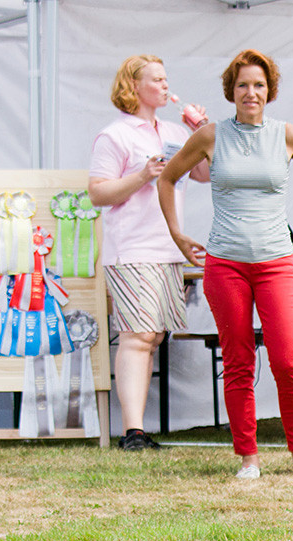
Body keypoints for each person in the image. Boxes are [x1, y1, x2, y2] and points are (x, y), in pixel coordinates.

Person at [158, 49, 293, 480]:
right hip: (226, 263)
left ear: (269, 90)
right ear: (231, 90)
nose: (250, 93)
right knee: (238, 359)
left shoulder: (287, 136)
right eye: (243, 85)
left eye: (258, 85)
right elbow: (167, 178)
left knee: (287, 359)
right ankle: (248, 458)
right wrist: (177, 233)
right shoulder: (210, 136)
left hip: (276, 261)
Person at [88, 54, 210, 451]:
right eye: (155, 79)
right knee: (137, 335)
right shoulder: (115, 135)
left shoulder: (175, 130)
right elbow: (97, 193)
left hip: (167, 247)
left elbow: (206, 174)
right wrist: (141, 176)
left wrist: (203, 131)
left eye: (165, 78)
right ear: (133, 87)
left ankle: (136, 429)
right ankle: (133, 432)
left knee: (153, 336)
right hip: (132, 248)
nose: (163, 85)